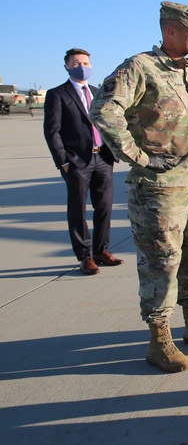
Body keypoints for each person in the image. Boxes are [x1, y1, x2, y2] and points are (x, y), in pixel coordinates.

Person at [91, 1, 188, 374]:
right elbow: (104, 110)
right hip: (158, 191)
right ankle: (159, 340)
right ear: (171, 31)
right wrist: (138, 156)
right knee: (162, 265)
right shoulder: (140, 67)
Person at [43, 48, 124, 275]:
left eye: (86, 63)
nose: (82, 67)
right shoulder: (58, 94)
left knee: (104, 207)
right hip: (76, 161)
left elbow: (107, 123)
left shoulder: (98, 92)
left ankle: (101, 251)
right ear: (67, 66)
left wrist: (113, 152)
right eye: (77, 62)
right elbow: (52, 131)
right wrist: (63, 161)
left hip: (103, 158)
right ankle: (84, 256)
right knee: (78, 209)